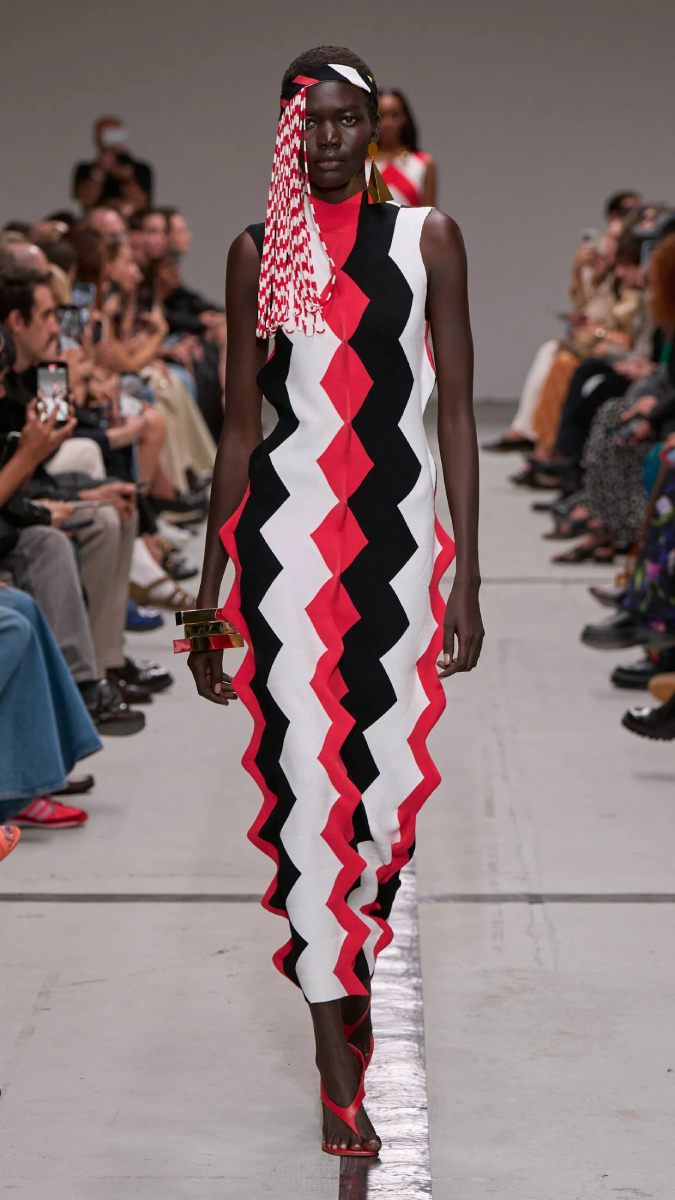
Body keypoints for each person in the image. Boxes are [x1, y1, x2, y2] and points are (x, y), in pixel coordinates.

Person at [185, 46, 483, 1157]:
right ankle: (332, 1059)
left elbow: (457, 415)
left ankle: (347, 961)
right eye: (309, 122)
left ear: (375, 128)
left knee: (385, 790)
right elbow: (237, 430)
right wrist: (208, 601)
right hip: (288, 554)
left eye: (347, 119)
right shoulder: (258, 251)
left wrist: (468, 577)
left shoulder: (429, 238)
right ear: (286, 132)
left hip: (399, 553)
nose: (328, 138)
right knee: (310, 792)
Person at [72, 116, 153, 213]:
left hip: (131, 219)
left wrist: (126, 178)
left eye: (114, 134)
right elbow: (86, 200)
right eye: (105, 134)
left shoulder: (141, 168)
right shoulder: (85, 169)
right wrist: (99, 171)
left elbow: (142, 203)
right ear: (97, 138)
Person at [375, 88, 436, 206]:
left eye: (394, 115)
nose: (388, 123)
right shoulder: (360, 166)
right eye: (381, 116)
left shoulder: (423, 164)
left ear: (404, 118)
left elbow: (429, 214)